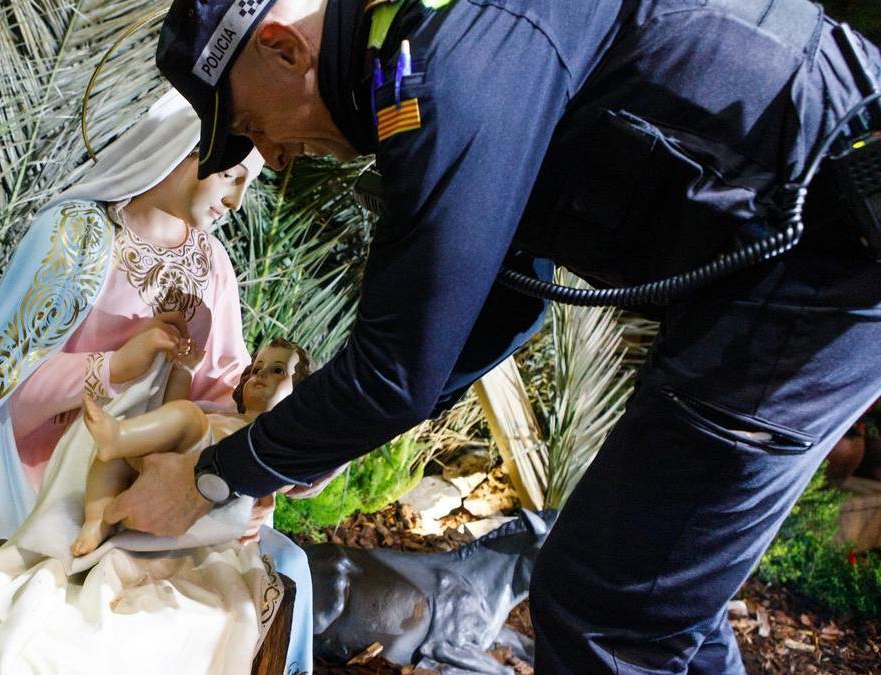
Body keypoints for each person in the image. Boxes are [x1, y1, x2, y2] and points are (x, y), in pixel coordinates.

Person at [101, 0, 881, 672]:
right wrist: (325, 443)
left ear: (282, 45)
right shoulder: (418, 48)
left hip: (819, 246)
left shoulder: (447, 64)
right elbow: (506, 302)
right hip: (771, 267)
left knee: (606, 606)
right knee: (655, 578)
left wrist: (210, 476)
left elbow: (395, 370)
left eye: (248, 125)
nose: (268, 155)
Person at [0, 88, 314, 674]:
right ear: (186, 150)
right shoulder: (76, 236)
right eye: (232, 175)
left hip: (171, 478)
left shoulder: (214, 267)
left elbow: (220, 398)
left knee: (291, 572)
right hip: (52, 481)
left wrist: (258, 467)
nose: (237, 201)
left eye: (246, 184)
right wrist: (114, 367)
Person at [74, 337, 312, 555]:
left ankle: (117, 438)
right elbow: (170, 413)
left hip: (208, 476)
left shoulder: (273, 439)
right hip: (173, 456)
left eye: (278, 370)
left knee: (188, 416)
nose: (262, 374)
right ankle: (96, 520)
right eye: (257, 369)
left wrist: (267, 495)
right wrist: (184, 371)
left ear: (301, 395)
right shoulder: (220, 413)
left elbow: (283, 474)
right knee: (115, 459)